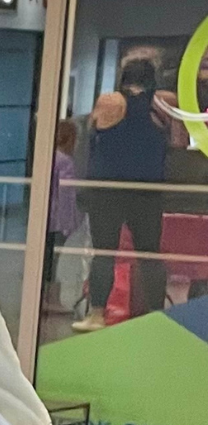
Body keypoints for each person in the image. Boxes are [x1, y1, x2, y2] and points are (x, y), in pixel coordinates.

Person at [75, 54, 170, 329]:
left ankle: (96, 313)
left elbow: (91, 136)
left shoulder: (110, 103)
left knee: (104, 252)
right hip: (147, 192)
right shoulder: (162, 106)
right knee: (150, 254)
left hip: (107, 191)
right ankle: (156, 313)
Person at [44, 119, 79, 311]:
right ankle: (52, 298)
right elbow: (66, 194)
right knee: (54, 260)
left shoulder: (49, 157)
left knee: (46, 257)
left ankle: (45, 297)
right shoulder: (65, 161)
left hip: (46, 218)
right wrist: (68, 222)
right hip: (57, 219)